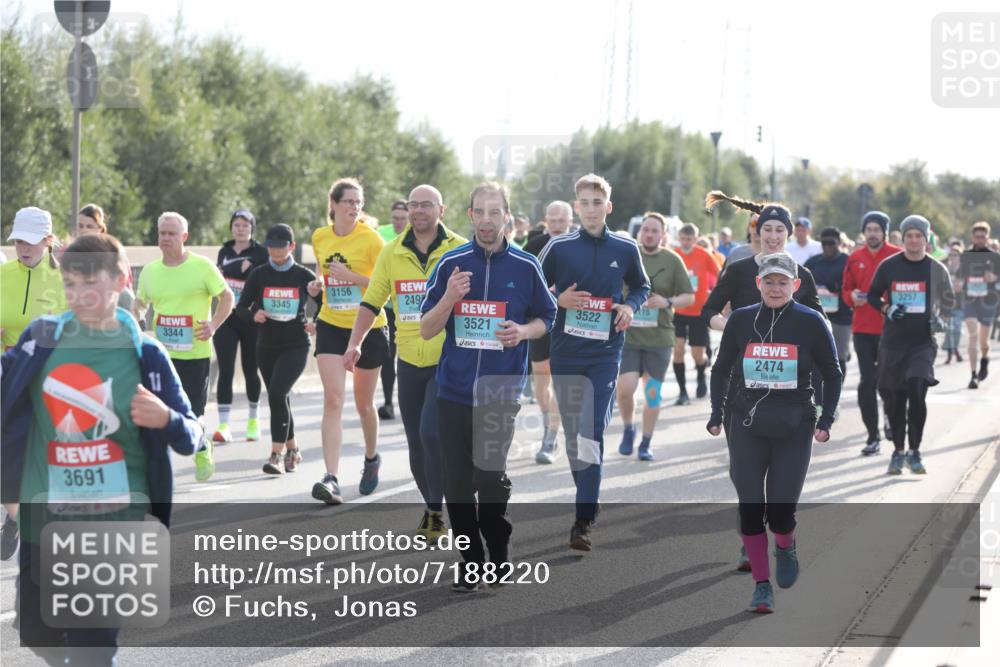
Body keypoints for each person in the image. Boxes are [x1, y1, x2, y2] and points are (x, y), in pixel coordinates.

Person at [2, 233, 201, 666]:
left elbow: (192, 435)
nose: (78, 295)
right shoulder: (42, 342)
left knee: (93, 649)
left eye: (89, 283)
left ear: (121, 279)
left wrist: (166, 417)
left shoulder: (145, 353)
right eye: (69, 284)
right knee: (38, 634)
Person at [419, 182, 556, 591]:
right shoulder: (451, 264)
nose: (486, 220)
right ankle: (470, 561)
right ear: (469, 215)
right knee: (457, 484)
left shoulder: (526, 266)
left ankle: (498, 549)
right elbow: (426, 329)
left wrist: (523, 330)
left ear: (507, 218)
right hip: (453, 391)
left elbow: (546, 318)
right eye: (479, 212)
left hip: (500, 391)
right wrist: (449, 298)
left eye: (494, 212)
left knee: (489, 479)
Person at [706, 253, 842, 614]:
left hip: (793, 426)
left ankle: (786, 544)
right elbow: (720, 371)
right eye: (770, 282)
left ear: (796, 285)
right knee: (750, 509)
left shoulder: (811, 322)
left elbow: (833, 373)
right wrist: (716, 412)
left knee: (781, 512)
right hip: (747, 423)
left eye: (783, 282)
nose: (776, 288)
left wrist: (825, 419)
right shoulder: (741, 319)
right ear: (758, 284)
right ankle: (761, 586)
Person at [345, 184, 466, 540]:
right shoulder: (392, 252)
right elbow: (372, 301)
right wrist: (355, 342)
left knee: (431, 433)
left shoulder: (459, 248)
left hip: (448, 358)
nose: (418, 211)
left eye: (426, 205)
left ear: (441, 210)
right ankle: (433, 511)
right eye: (413, 205)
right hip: (409, 359)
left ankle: (443, 506)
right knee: (416, 440)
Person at [538, 174, 650, 551]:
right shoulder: (559, 248)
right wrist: (558, 302)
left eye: (596, 203)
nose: (590, 209)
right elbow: (532, 290)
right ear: (575, 207)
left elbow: (641, 286)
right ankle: (590, 491)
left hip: (605, 352)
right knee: (574, 437)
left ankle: (582, 520)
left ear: (609, 207)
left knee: (590, 433)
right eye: (583, 203)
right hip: (567, 351)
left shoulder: (626, 246)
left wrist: (629, 308)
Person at [134, 211, 233, 483]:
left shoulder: (201, 267)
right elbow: (139, 304)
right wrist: (138, 320)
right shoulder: (151, 271)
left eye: (171, 234)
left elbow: (227, 296)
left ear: (184, 237)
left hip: (195, 355)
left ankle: (202, 446)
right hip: (162, 357)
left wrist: (213, 325)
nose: (165, 238)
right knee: (155, 415)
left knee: (193, 413)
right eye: (162, 233)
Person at [309, 178, 389, 503]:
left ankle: (371, 458)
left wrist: (352, 278)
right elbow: (323, 270)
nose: (354, 207)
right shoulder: (319, 236)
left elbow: (387, 283)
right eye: (348, 202)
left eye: (358, 202)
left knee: (364, 405)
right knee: (333, 400)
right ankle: (331, 478)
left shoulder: (371, 240)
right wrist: (318, 283)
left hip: (367, 327)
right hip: (331, 324)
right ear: (334, 204)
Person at [1, 206, 67, 561]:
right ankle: (17, 516)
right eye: (17, 241)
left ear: (48, 240)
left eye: (30, 241)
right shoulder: (2, 274)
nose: (23, 248)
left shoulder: (63, 278)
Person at [868, 215, 955, 475]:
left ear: (927, 239)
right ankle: (898, 451)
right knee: (895, 399)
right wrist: (886, 307)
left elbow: (949, 301)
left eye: (919, 236)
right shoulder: (889, 266)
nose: (914, 240)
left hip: (922, 343)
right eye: (909, 236)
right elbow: (872, 295)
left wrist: (942, 319)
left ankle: (915, 451)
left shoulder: (937, 268)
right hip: (893, 343)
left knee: (917, 388)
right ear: (903, 238)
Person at [235, 224, 319, 474]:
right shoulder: (259, 274)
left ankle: (276, 455)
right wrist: (253, 314)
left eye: (280, 247)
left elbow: (325, 303)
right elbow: (241, 307)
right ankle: (293, 449)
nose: (274, 251)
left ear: (291, 247)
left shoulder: (303, 275)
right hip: (266, 346)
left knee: (276, 394)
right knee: (279, 397)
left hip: (295, 345)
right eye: (270, 246)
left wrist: (316, 322)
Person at [616, 214, 694, 460]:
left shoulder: (672, 260)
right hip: (628, 336)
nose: (649, 234)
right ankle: (629, 428)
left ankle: (646, 443)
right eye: (646, 230)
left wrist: (667, 301)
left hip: (659, 339)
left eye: (654, 231)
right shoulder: (628, 255)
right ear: (640, 233)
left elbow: (689, 297)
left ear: (663, 235)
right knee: (625, 389)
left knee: (652, 393)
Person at [702, 194, 825, 331]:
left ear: (788, 234)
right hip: (744, 350)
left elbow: (822, 320)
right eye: (767, 229)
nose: (773, 236)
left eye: (779, 230)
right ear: (758, 231)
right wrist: (734, 328)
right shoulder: (738, 270)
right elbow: (708, 311)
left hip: (789, 351)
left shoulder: (802, 274)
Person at [842, 211, 902, 455]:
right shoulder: (855, 258)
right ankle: (872, 437)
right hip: (862, 329)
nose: (873, 233)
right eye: (869, 229)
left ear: (885, 232)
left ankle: (890, 417)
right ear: (864, 232)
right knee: (867, 382)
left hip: (891, 329)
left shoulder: (897, 257)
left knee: (888, 381)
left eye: (877, 229)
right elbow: (845, 291)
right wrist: (851, 298)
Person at [213, 209, 269, 443]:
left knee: (250, 370)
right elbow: (219, 276)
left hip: (250, 318)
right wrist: (238, 269)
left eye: (245, 225)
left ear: (251, 228)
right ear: (231, 227)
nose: (240, 229)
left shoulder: (260, 252)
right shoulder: (224, 250)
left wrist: (242, 270)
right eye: (236, 225)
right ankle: (224, 424)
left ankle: (253, 420)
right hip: (227, 317)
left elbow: (262, 276)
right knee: (225, 369)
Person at [523, 200, 573, 464]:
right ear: (546, 219)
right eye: (551, 220)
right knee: (541, 376)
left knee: (561, 378)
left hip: (570, 322)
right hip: (539, 320)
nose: (556, 225)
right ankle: (548, 422)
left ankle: (550, 438)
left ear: (570, 220)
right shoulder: (533, 246)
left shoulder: (580, 244)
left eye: (561, 221)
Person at [673, 222, 721, 404]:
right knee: (677, 350)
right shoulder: (674, 254)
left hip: (698, 312)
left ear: (696, 239)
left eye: (689, 239)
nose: (685, 242)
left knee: (698, 355)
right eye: (683, 239)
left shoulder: (704, 255)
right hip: (677, 310)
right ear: (679, 238)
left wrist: (717, 297)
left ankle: (701, 375)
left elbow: (720, 275)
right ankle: (682, 391)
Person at [804, 227, 852, 408]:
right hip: (816, 318)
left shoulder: (848, 262)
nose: (827, 247)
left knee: (838, 358)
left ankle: (834, 396)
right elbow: (800, 286)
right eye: (823, 243)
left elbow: (854, 286)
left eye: (831, 243)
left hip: (841, 317)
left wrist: (838, 288)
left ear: (839, 243)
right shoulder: (813, 263)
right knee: (815, 360)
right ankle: (819, 401)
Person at [376, 200, 412, 420]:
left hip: (410, 305)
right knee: (388, 355)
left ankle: (410, 400)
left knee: (408, 354)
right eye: (395, 218)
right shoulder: (381, 234)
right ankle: (388, 402)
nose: (398, 223)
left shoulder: (415, 235)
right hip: (387, 305)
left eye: (402, 219)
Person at [958, 221, 999, 389]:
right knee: (973, 335)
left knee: (984, 341)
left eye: (983, 236)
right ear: (972, 237)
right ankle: (973, 375)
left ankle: (985, 359)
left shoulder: (995, 256)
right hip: (970, 300)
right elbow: (960, 275)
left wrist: (994, 278)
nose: (980, 239)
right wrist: (959, 283)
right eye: (977, 236)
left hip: (988, 300)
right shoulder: (965, 255)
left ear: (987, 237)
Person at [75, 204, 136, 311]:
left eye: (89, 226)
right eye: (80, 226)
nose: (83, 230)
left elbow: (126, 293)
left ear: (100, 228)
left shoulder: (114, 254)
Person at [943, 242, 965, 364]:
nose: (953, 256)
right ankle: (950, 354)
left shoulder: (963, 270)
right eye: (951, 254)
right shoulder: (944, 268)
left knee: (957, 329)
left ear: (959, 256)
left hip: (959, 304)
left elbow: (961, 287)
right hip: (946, 304)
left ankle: (955, 349)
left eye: (955, 254)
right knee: (948, 330)